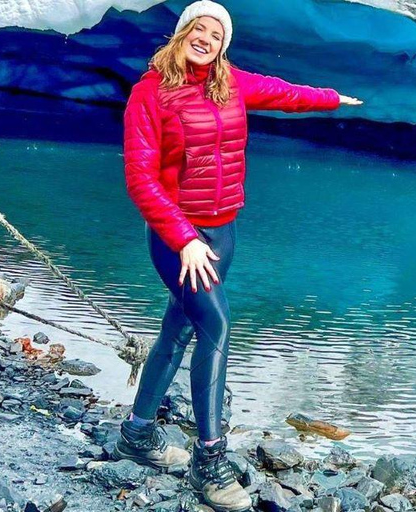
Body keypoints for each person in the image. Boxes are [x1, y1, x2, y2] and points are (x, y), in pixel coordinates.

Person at [114, 1, 362, 511]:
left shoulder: (230, 82)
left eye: (216, 32)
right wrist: (183, 239)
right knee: (217, 328)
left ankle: (137, 433)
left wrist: (330, 98)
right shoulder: (150, 93)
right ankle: (210, 458)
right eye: (198, 28)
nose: (206, 37)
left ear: (224, 43)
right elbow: (140, 178)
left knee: (181, 328)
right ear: (181, 33)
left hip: (223, 231)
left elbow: (283, 93)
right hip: (176, 236)